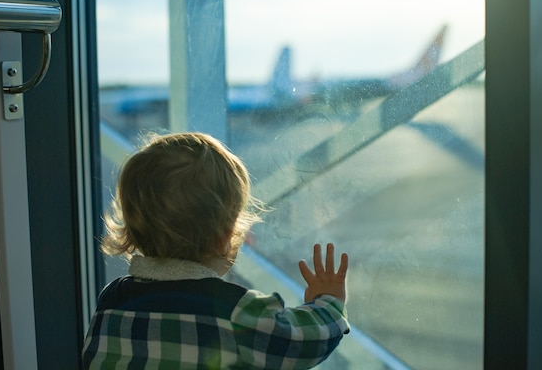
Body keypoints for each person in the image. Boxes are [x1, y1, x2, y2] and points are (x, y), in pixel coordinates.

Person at [82, 132, 350, 369]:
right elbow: (301, 342)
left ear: (133, 229)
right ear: (225, 237)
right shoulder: (235, 313)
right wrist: (328, 301)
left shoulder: (112, 302)